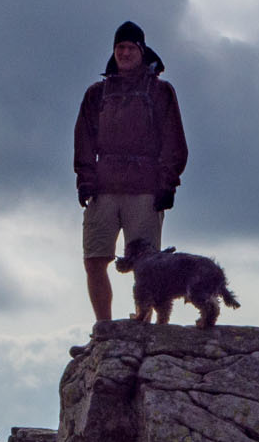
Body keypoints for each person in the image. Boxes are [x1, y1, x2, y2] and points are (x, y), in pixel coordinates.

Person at [73, 21, 189, 324]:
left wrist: (168, 184)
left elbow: (174, 140)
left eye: (130, 48)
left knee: (148, 266)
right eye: (120, 48)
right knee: (94, 260)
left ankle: (143, 326)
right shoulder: (97, 94)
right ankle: (105, 327)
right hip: (103, 187)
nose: (124, 53)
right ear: (114, 51)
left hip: (146, 189)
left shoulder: (161, 91)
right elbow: (83, 139)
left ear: (141, 51)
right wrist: (85, 180)